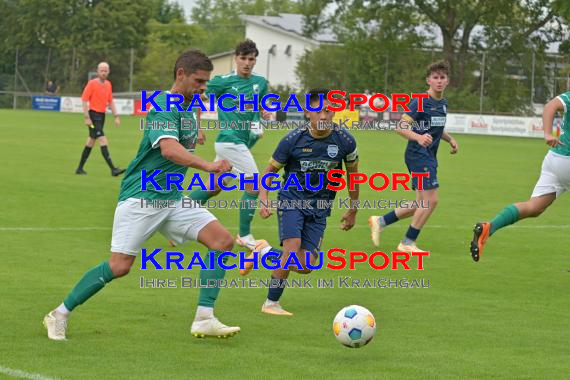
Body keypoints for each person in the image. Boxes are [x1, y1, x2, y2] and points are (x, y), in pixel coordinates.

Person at [43, 49, 240, 340]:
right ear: (181, 75)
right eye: (199, 81)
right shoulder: (163, 104)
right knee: (119, 266)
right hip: (142, 196)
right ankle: (58, 314)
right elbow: (169, 150)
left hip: (171, 199)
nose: (202, 88)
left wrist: (213, 181)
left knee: (222, 242)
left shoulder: (190, 109)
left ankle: (204, 318)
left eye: (206, 83)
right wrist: (209, 166)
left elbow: (185, 146)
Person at [240, 88, 360, 316]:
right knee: (291, 252)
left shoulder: (345, 141)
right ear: (307, 112)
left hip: (320, 209)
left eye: (328, 110)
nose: (323, 116)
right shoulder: (292, 140)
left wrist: (353, 208)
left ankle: (263, 251)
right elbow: (269, 172)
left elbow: (354, 176)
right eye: (318, 111)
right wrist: (264, 198)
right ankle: (271, 303)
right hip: (292, 201)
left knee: (305, 266)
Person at [186, 39, 270, 250]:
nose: (247, 63)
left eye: (251, 59)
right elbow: (196, 98)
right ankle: (244, 235)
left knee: (214, 187)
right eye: (243, 58)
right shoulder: (222, 82)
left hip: (242, 142)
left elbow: (258, 105)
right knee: (254, 185)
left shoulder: (260, 83)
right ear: (236, 59)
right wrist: (197, 127)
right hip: (229, 142)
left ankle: (177, 217)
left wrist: (263, 112)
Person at [369, 60, 458, 253]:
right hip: (418, 155)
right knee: (431, 200)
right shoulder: (419, 101)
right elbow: (400, 127)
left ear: (448, 80)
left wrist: (449, 139)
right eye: (435, 77)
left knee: (420, 203)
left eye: (443, 77)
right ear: (428, 80)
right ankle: (407, 242)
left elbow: (435, 128)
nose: (439, 81)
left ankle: (380, 221)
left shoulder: (442, 103)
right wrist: (418, 137)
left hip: (429, 156)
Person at [470, 92, 570, 261]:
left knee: (534, 207)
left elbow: (550, 105)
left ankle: (489, 227)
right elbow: (551, 107)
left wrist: (547, 133)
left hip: (554, 159)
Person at [75, 62, 125, 176]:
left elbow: (110, 101)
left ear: (108, 71)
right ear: (97, 71)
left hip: (102, 116)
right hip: (93, 116)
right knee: (102, 139)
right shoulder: (92, 83)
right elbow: (84, 99)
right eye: (101, 70)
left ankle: (79, 168)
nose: (104, 72)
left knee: (91, 141)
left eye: (105, 70)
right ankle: (113, 169)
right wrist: (86, 117)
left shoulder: (108, 84)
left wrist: (116, 116)